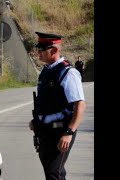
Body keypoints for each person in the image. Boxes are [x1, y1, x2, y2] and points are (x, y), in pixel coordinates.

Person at [29, 32, 86, 180]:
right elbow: (48, 103)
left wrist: (69, 133)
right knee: (51, 172)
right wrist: (37, 121)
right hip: (45, 132)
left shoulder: (68, 73)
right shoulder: (46, 71)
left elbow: (80, 105)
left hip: (61, 131)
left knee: (55, 172)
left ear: (53, 50)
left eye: (42, 49)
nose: (38, 52)